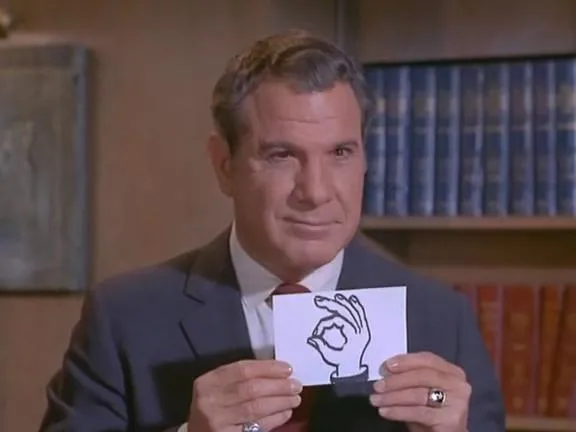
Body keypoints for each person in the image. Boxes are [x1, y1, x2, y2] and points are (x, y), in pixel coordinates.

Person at [39, 30, 505, 432]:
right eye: (282, 155)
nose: (316, 191)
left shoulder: (441, 319)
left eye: (340, 153)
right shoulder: (124, 319)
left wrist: (450, 424)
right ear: (225, 166)